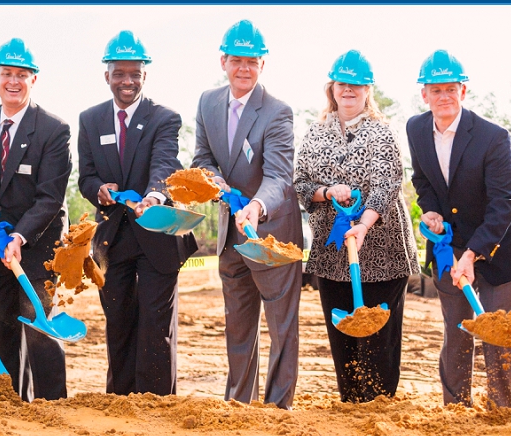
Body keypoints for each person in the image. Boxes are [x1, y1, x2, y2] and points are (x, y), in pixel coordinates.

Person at [293, 50, 420, 403]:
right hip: (333, 256)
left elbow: (388, 184)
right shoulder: (315, 134)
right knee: (344, 337)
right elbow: (301, 184)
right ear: (331, 88)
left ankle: (378, 405)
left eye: (357, 85)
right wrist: (325, 191)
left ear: (368, 90)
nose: (349, 90)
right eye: (342, 84)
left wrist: (363, 225)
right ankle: (350, 403)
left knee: (379, 339)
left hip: (383, 254)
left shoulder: (383, 133)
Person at [77, 31, 198, 396]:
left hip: (155, 236)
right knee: (119, 322)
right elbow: (85, 176)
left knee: (156, 326)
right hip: (112, 240)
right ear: (107, 76)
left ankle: (158, 406)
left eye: (135, 73)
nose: (127, 81)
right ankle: (121, 401)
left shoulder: (164, 118)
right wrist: (97, 190)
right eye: (120, 73)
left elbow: (165, 163)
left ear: (145, 75)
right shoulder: (90, 119)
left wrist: (155, 196)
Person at [192, 20, 302, 409]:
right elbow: (202, 158)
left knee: (281, 327)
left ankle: (277, 408)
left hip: (271, 232)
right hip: (230, 235)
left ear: (262, 65)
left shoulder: (277, 112)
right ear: (223, 60)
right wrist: (215, 183)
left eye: (251, 61)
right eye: (237, 60)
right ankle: (238, 404)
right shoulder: (207, 102)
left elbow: (278, 176)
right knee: (238, 326)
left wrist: (255, 206)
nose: (243, 68)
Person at [407, 49, 511, 409]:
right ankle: (455, 408)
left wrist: (472, 254)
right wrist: (430, 211)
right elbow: (422, 180)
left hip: (496, 250)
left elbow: (504, 201)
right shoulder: (415, 128)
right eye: (436, 90)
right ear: (424, 94)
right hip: (448, 247)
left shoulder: (493, 137)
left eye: (451, 89)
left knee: (496, 333)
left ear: (464, 91)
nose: (444, 97)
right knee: (457, 332)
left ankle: (501, 407)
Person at [0, 38, 73, 402]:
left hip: (36, 247)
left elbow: (50, 198)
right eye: (6, 74)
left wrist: (20, 236)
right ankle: (13, 409)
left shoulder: (53, 130)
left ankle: (53, 408)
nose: (14, 81)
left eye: (22, 74)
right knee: (1, 332)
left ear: (33, 80)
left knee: (39, 333)